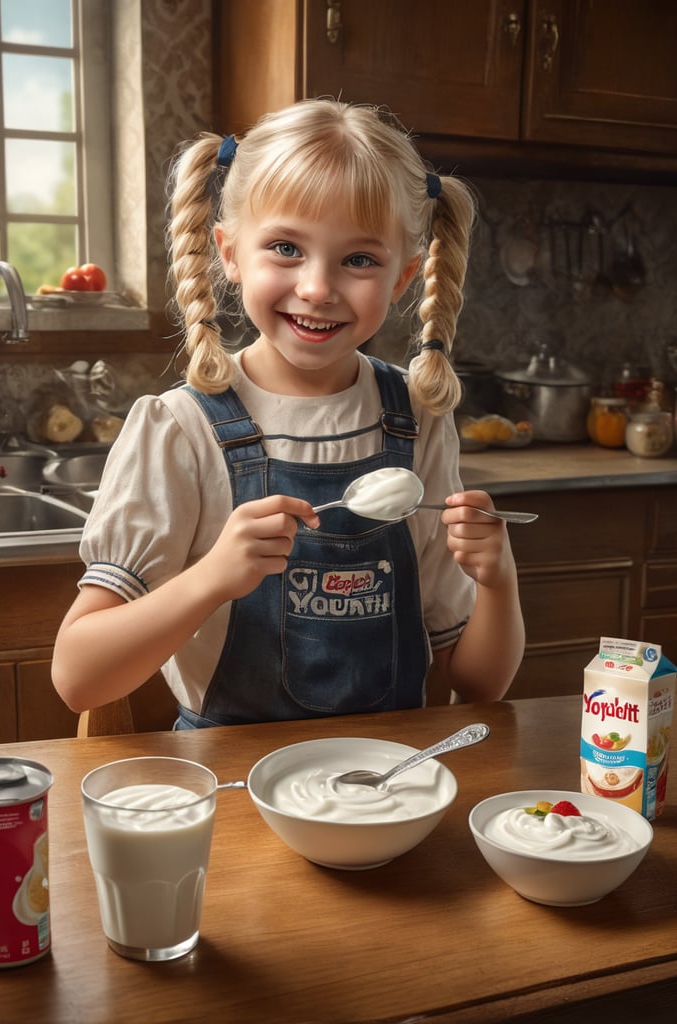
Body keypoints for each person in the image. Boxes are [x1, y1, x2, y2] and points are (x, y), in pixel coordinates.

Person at [52, 98, 524, 728]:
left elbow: (478, 684)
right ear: (229, 252)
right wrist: (214, 577)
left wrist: (499, 580)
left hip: (389, 783)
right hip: (232, 787)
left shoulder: (416, 417)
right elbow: (78, 677)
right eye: (284, 248)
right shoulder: (181, 429)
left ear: (404, 277)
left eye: (359, 260)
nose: (317, 287)